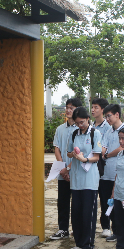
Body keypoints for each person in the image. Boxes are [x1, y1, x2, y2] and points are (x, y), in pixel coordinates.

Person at [66, 107, 102, 249]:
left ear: (88, 119)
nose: (80, 126)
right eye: (77, 123)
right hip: (76, 180)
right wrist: (73, 154)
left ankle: (89, 246)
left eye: (81, 122)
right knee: (76, 213)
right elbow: (68, 152)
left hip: (89, 180)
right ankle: (79, 243)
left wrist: (85, 159)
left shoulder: (95, 133)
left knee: (88, 213)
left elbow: (97, 156)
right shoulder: (74, 133)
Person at [50, 98, 82, 240]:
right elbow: (57, 148)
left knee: (77, 203)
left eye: (72, 107)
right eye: (67, 107)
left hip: (76, 171)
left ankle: (78, 229)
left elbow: (80, 152)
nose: (68, 110)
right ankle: (63, 229)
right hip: (62, 172)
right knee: (62, 201)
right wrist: (62, 168)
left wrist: (69, 168)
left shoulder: (81, 129)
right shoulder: (60, 129)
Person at [100, 104, 124, 242]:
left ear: (117, 114)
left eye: (109, 115)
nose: (107, 119)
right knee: (108, 203)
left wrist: (107, 155)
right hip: (106, 174)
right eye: (106, 116)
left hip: (120, 175)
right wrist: (104, 154)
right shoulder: (108, 131)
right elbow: (102, 147)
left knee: (119, 205)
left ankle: (123, 233)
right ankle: (114, 230)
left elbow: (121, 148)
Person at [90, 98, 111, 237]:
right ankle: (90, 225)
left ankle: (106, 226)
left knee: (105, 198)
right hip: (90, 167)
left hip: (104, 168)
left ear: (102, 110)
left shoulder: (108, 128)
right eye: (92, 107)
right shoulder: (90, 126)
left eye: (96, 107)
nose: (93, 110)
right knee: (91, 198)